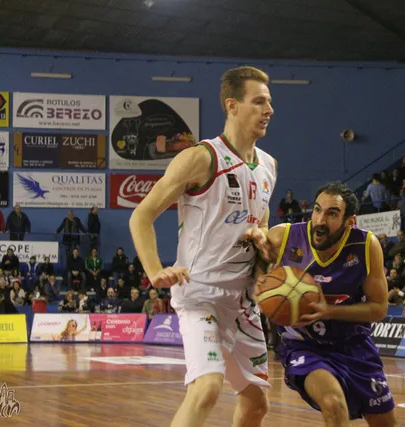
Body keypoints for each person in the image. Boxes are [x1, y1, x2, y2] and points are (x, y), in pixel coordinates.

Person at [129, 66, 276, 427]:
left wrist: (262, 238)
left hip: (243, 302)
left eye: (269, 102)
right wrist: (155, 270)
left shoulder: (269, 166)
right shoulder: (201, 158)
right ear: (232, 106)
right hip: (200, 295)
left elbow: (261, 223)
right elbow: (141, 216)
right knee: (207, 388)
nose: (269, 110)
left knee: (256, 404)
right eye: (259, 102)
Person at [259, 182, 398, 427]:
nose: (320, 220)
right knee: (333, 403)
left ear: (350, 221)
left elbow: (379, 309)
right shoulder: (284, 237)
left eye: (332, 214)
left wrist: (329, 310)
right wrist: (260, 287)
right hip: (304, 346)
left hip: (354, 345)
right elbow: (250, 266)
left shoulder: (366, 246)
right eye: (317, 210)